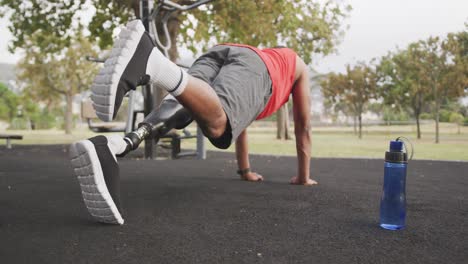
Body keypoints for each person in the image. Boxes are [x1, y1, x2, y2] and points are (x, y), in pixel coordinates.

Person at [69, 20, 317, 225]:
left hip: (223, 51)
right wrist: (303, 177)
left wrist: (245, 170)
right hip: (254, 65)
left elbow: (240, 123)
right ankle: (151, 59)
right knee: (218, 127)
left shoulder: (268, 59)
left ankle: (116, 146)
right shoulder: (296, 66)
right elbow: (303, 125)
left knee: (184, 104)